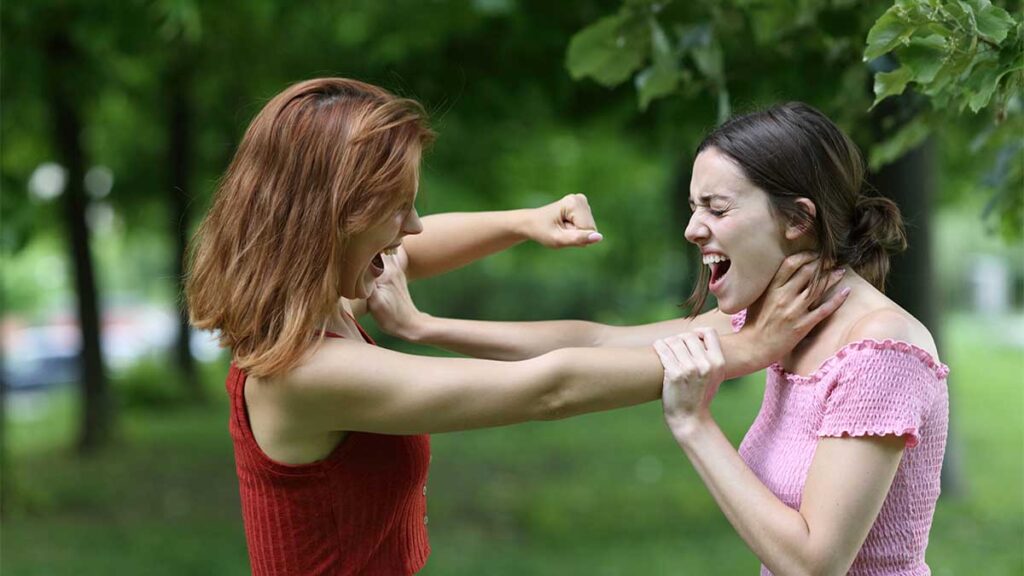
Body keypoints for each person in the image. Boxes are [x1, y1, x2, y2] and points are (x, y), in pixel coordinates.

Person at [186, 79, 848, 575]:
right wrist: (744, 348)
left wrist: (523, 222)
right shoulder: (305, 372)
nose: (413, 226)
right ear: (331, 220)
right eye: (396, 208)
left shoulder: (313, 299)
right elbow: (547, 387)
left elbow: (412, 248)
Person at [652, 103, 949, 575]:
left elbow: (814, 565)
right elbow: (599, 343)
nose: (692, 229)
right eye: (694, 208)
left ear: (796, 220)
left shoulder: (882, 351)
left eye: (717, 208)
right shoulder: (779, 321)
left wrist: (694, 425)